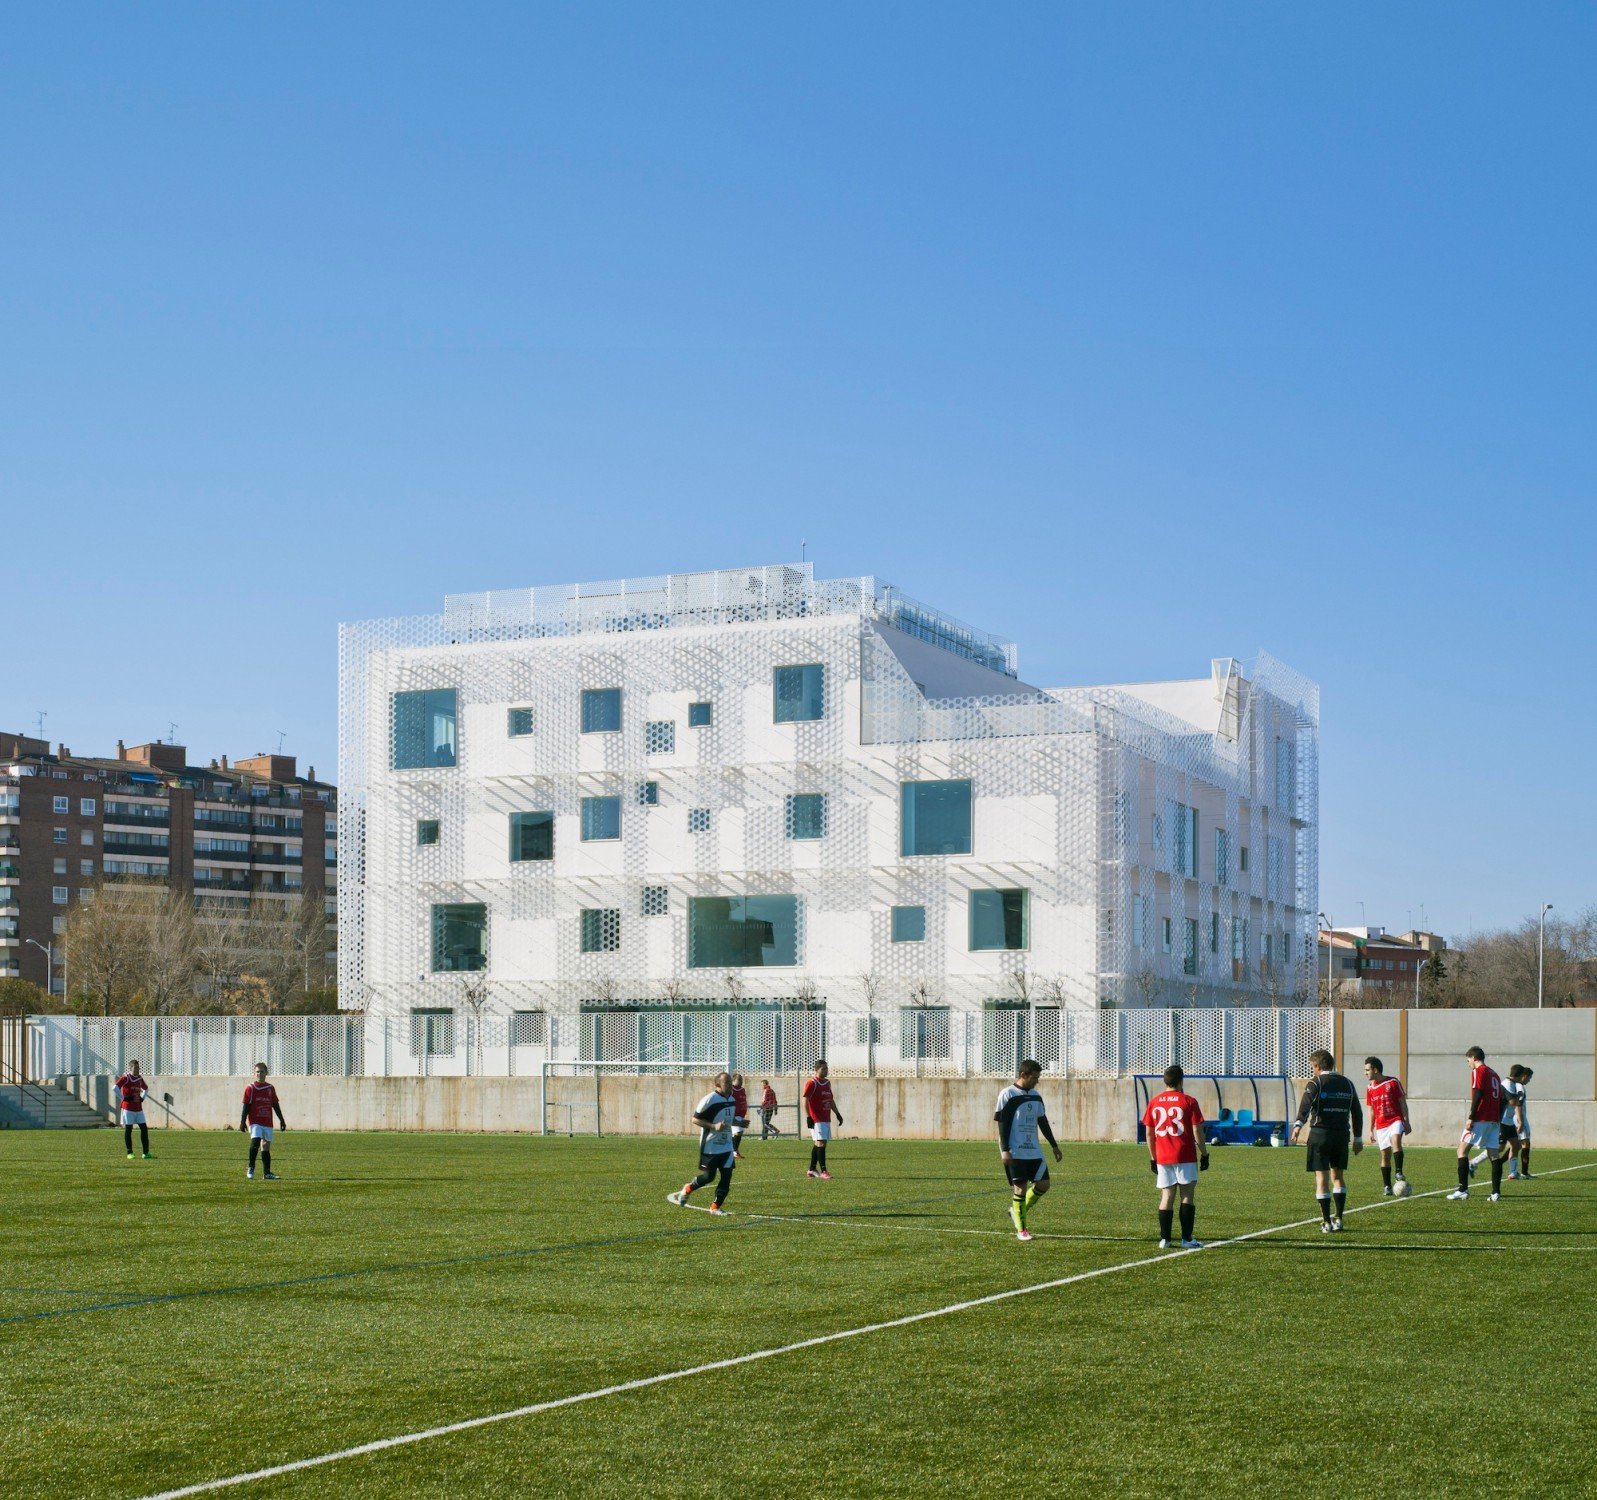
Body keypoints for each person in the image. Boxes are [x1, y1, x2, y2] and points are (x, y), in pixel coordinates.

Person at [1289, 1049, 1363, 1232]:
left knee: (1321, 1179)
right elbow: (1357, 1112)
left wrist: (1298, 1125)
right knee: (1338, 1177)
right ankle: (1338, 1218)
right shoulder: (1348, 1084)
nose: (1312, 1071)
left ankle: (1326, 1222)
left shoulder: (1316, 1083)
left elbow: (1306, 1105)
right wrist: (1358, 1137)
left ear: (1318, 1066)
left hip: (1320, 1135)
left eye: (1312, 1067)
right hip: (1341, 1135)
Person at [1141, 1064, 1209, 1249]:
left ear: (1165, 1081)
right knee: (1186, 1195)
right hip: (1185, 1154)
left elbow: (1149, 1134)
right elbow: (1197, 1131)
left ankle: (1165, 1239)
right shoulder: (1189, 1101)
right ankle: (1187, 1239)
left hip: (1163, 1156)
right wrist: (1204, 1154)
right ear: (1181, 1080)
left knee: (1167, 1195)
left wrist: (1153, 1158)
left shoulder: (1154, 1101)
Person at [995, 1059, 1063, 1242]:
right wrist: (1005, 1150)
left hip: (1034, 1150)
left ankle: (1016, 1211)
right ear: (1023, 1075)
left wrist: (1054, 1145)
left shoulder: (1035, 1095)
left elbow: (1043, 1121)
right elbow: (1002, 1124)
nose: (1037, 1081)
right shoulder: (1007, 1094)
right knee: (1020, 1188)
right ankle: (1022, 1230)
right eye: (1034, 1077)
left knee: (1044, 1184)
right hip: (1015, 1151)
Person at [667, 1070, 738, 1215]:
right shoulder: (709, 1100)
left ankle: (715, 1207)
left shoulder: (732, 1099)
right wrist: (714, 1126)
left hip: (726, 1145)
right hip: (710, 1146)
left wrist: (739, 1122)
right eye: (727, 1082)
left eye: (731, 1082)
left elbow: (727, 1119)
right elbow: (695, 1119)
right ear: (718, 1084)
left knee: (727, 1176)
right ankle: (688, 1188)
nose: (730, 1085)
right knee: (709, 1177)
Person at [1448, 1046, 1505, 1203]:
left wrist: (1471, 1117)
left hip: (1481, 1118)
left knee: (1462, 1150)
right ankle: (1495, 1193)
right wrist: (1498, 1117)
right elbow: (1502, 1098)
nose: (1468, 1064)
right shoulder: (1495, 1074)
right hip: (1494, 1120)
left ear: (1474, 1057)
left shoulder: (1478, 1071)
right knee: (1494, 1155)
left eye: (1468, 1060)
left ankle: (1462, 1190)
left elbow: (1478, 1093)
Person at [1362, 1057, 1411, 1196]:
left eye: (1367, 1070)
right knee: (1385, 1155)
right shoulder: (1370, 1088)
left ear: (1375, 1070)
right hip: (1381, 1124)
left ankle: (1399, 1171)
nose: (1365, 1073)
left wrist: (1406, 1122)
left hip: (1395, 1119)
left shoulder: (1393, 1082)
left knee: (1396, 1140)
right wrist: (1370, 1129)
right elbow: (1371, 1110)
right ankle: (1387, 1186)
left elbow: (1402, 1103)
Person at [1472, 1064, 1528, 1181]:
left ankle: (1513, 1173)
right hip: (1502, 1121)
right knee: (1498, 1148)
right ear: (1521, 1075)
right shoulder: (1508, 1084)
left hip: (1509, 1122)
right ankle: (1473, 1163)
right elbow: (1514, 1102)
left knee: (1516, 1145)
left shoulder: (1512, 1084)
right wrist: (1521, 1120)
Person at [239, 1062, 287, 1181]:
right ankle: (251, 1167)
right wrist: (242, 1121)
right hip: (255, 1120)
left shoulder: (270, 1088)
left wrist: (281, 1120)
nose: (259, 1074)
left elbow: (275, 1105)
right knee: (255, 1142)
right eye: (257, 1072)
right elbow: (246, 1105)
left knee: (265, 1146)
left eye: (262, 1071)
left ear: (266, 1072)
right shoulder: (251, 1088)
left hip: (267, 1121)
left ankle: (267, 1173)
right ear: (254, 1073)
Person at [802, 1060, 843, 1179]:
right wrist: (808, 1117)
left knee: (819, 1143)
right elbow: (805, 1100)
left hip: (826, 1117)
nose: (826, 1071)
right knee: (821, 1143)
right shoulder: (812, 1083)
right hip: (816, 1118)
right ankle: (824, 1171)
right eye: (823, 1069)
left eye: (826, 1068)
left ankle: (812, 1169)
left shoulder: (827, 1083)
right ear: (817, 1069)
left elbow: (830, 1099)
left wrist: (837, 1113)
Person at [114, 1061, 153, 1161]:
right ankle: (130, 1152)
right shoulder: (126, 1078)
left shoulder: (139, 1078)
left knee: (144, 1129)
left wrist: (142, 1098)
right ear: (130, 1068)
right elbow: (115, 1088)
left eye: (138, 1068)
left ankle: (146, 1153)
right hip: (128, 1108)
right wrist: (123, 1098)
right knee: (129, 1129)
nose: (137, 1070)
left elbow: (146, 1089)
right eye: (135, 1068)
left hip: (138, 1108)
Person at [1515, 1066, 1536, 1178]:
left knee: (1516, 1145)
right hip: (1520, 1118)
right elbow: (1518, 1105)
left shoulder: (1516, 1085)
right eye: (1529, 1078)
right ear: (1524, 1076)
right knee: (1525, 1143)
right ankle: (1524, 1172)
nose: (1529, 1080)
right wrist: (1521, 1121)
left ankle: (1518, 1172)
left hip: (1516, 1118)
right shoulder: (1520, 1087)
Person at [729, 1073, 749, 1159]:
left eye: (741, 1079)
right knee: (738, 1132)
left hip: (741, 1114)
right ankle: (734, 1152)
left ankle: (733, 1151)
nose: (741, 1081)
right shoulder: (731, 1089)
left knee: (738, 1133)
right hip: (734, 1114)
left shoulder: (742, 1089)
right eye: (739, 1079)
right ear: (733, 1081)